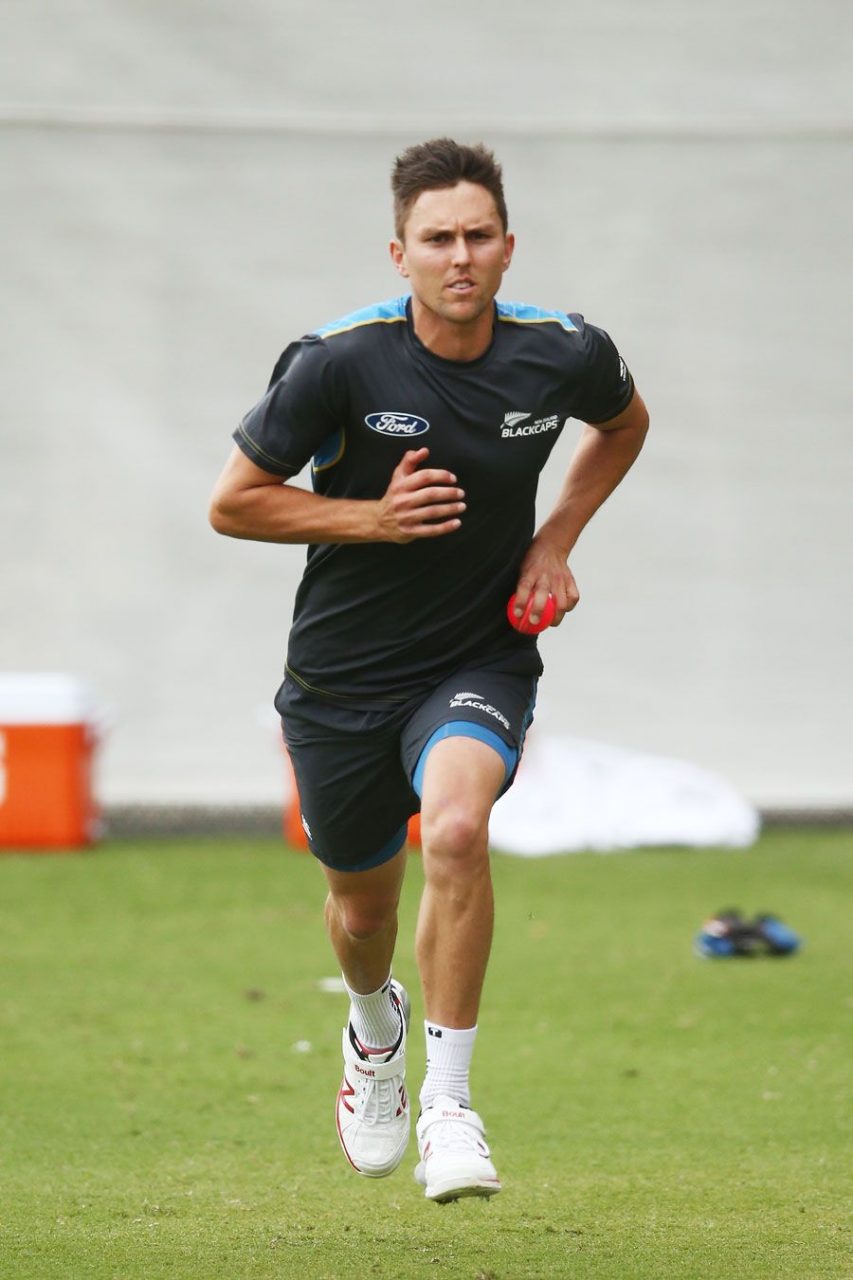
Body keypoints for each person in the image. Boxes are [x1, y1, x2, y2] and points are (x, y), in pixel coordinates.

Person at [209, 137, 648, 1203]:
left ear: (508, 247)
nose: (460, 255)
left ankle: (451, 1103)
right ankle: (373, 1030)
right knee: (360, 913)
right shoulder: (334, 362)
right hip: (339, 676)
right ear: (398, 252)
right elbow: (235, 501)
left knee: (455, 828)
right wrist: (371, 517)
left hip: (477, 653)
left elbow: (624, 426)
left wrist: (556, 541)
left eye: (478, 235)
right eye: (437, 238)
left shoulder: (565, 351)